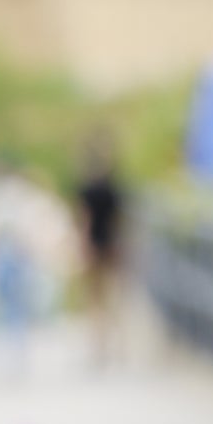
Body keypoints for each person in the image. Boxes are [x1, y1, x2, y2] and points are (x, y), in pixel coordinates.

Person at [75, 134, 128, 362]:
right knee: (112, 294)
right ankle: (116, 343)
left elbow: (83, 220)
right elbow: (120, 221)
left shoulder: (86, 189)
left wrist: (83, 245)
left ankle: (100, 345)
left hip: (94, 247)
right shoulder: (114, 188)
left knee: (94, 297)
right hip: (111, 246)